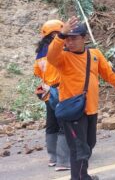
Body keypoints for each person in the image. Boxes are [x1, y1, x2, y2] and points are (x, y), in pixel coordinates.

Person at [48, 17, 115, 180]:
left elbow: (108, 73)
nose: (69, 43)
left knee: (88, 144)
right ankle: (79, 178)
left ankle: (83, 174)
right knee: (79, 149)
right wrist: (61, 35)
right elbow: (51, 56)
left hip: (90, 109)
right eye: (68, 39)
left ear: (84, 38)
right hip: (72, 111)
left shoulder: (94, 55)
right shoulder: (63, 58)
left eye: (74, 38)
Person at [34, 20, 70, 172]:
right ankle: (63, 161)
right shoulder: (58, 48)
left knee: (52, 124)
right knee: (64, 124)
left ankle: (53, 158)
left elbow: (37, 72)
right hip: (60, 90)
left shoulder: (40, 51)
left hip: (47, 92)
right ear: (56, 33)